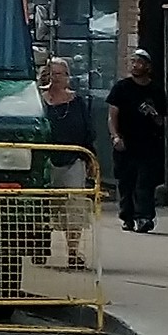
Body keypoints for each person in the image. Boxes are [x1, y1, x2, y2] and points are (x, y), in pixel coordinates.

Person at [40, 57, 95, 269]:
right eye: (51, 74)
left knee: (74, 205)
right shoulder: (39, 100)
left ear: (67, 77)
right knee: (44, 206)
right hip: (45, 160)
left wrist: (90, 156)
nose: (55, 78)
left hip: (73, 158)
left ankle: (73, 251)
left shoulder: (77, 102)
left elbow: (88, 131)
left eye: (59, 74)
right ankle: (41, 246)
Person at [109, 48, 167, 232]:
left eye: (139, 62)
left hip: (148, 144)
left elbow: (161, 120)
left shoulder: (155, 91)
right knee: (127, 182)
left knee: (145, 182)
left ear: (147, 67)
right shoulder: (121, 88)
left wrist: (153, 113)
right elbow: (112, 115)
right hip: (126, 143)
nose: (135, 65)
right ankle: (127, 217)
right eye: (133, 62)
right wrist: (115, 136)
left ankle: (144, 217)